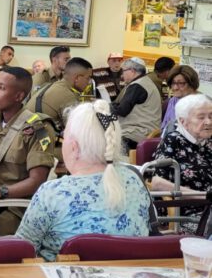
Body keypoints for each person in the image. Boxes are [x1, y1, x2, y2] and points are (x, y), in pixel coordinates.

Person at [16, 100, 151, 261]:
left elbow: (22, 250)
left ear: (74, 147)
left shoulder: (52, 193)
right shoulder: (133, 179)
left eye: (64, 137)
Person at [0, 67, 56, 235]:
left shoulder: (38, 128)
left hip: (12, 207)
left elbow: (37, 181)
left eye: (2, 88)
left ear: (19, 96)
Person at [151, 94, 212, 234]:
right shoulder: (173, 141)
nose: (208, 122)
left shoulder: (208, 140)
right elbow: (156, 182)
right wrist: (202, 196)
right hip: (191, 212)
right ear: (183, 121)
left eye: (211, 116)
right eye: (201, 117)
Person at [25, 57, 93, 134]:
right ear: (77, 78)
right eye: (88, 78)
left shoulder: (51, 86)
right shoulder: (68, 96)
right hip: (33, 141)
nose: (89, 82)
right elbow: (78, 132)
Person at [111, 57, 161, 150]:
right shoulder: (145, 82)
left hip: (135, 134)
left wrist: (105, 106)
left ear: (132, 71)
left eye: (123, 71)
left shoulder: (137, 86)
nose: (122, 75)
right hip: (144, 131)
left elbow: (122, 110)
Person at [161, 65, 199, 132]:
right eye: (173, 83)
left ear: (192, 84)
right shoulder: (169, 103)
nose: (175, 88)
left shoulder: (204, 105)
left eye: (181, 83)